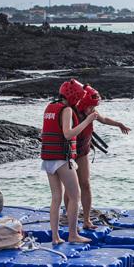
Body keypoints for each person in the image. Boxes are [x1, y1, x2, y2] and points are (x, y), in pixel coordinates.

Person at [41, 79, 98, 245]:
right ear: (73, 96)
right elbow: (67, 134)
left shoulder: (50, 107)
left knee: (56, 198)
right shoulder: (65, 109)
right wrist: (87, 121)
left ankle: (55, 237)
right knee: (75, 196)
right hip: (62, 159)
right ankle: (73, 235)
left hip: (48, 159)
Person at [66, 84, 131, 229]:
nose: (92, 110)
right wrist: (87, 120)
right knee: (70, 188)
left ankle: (87, 219)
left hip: (83, 152)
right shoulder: (71, 112)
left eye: (94, 107)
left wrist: (118, 124)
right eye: (90, 106)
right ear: (83, 103)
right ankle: (69, 218)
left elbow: (104, 119)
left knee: (86, 184)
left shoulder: (92, 111)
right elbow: (67, 132)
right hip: (69, 152)